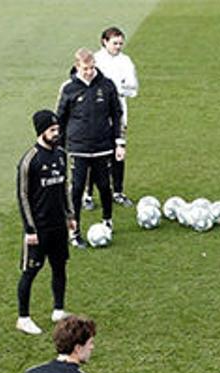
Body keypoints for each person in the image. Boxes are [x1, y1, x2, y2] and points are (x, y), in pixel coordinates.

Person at [16, 110, 77, 335]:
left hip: (58, 226)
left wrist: (70, 216)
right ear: (42, 131)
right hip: (38, 229)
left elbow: (65, 188)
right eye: (52, 130)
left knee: (59, 267)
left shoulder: (61, 154)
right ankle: (23, 318)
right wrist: (29, 229)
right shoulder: (30, 160)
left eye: (57, 129)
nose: (57, 133)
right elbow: (23, 196)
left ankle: (58, 310)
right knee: (30, 272)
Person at [57, 47, 124, 241]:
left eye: (92, 67)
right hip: (78, 148)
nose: (89, 71)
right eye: (85, 68)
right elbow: (60, 118)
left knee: (104, 185)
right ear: (77, 66)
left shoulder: (107, 85)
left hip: (103, 146)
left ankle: (107, 220)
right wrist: (58, 148)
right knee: (76, 189)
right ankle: (74, 231)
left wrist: (119, 143)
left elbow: (116, 114)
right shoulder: (69, 89)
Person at [92, 26, 139, 209]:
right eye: (115, 43)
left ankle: (118, 191)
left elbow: (133, 88)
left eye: (120, 43)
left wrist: (117, 90)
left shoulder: (126, 61)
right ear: (105, 41)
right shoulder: (95, 60)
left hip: (119, 111)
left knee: (118, 153)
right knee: (94, 154)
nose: (118, 47)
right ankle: (88, 195)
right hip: (97, 113)